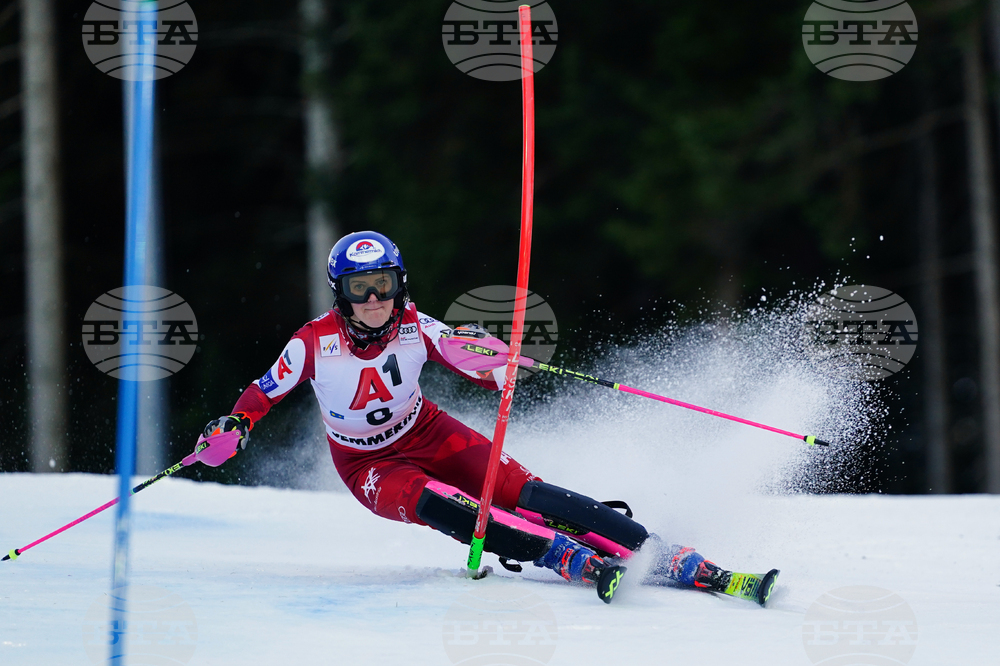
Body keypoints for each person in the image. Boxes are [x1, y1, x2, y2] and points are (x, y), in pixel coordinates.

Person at [204, 231, 772, 604]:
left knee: (526, 491)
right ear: (341, 294)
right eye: (361, 288)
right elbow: (262, 392)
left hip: (425, 430)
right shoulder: (313, 344)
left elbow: (472, 365)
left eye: (385, 285)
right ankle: (563, 557)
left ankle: (672, 556)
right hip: (367, 464)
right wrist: (235, 427)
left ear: (400, 285)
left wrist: (494, 363)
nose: (375, 299)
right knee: (440, 504)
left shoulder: (417, 326)